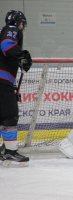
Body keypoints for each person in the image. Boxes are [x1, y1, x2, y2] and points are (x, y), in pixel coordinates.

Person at [0, 10, 32, 166]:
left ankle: (4, 149)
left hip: (3, 81)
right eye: (22, 23)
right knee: (10, 115)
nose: (22, 27)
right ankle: (10, 153)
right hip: (2, 81)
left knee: (2, 116)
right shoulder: (11, 29)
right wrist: (22, 55)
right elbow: (7, 45)